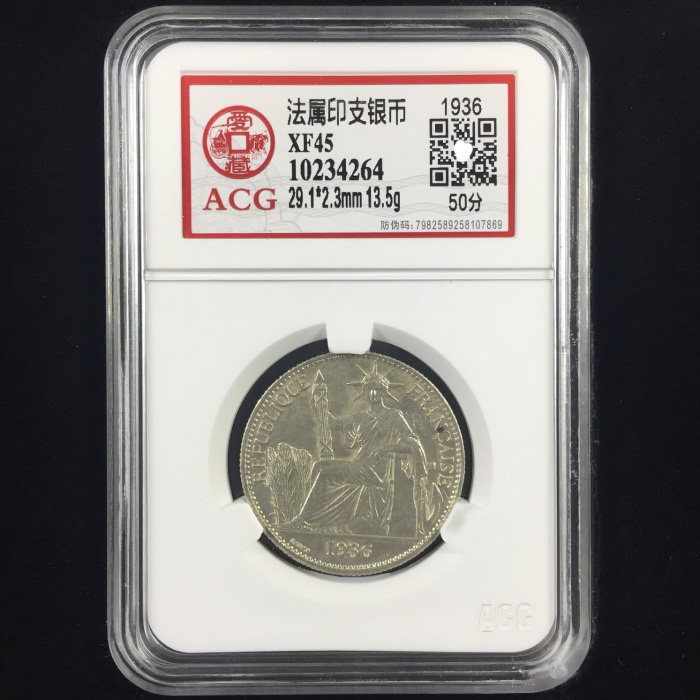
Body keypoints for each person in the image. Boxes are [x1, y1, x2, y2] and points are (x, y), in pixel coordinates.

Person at [294, 362, 428, 537]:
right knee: (319, 465)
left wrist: (387, 449)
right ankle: (315, 517)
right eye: (369, 389)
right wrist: (318, 404)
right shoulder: (361, 416)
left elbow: (412, 441)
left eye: (377, 389)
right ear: (364, 392)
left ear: (384, 392)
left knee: (326, 473)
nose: (372, 393)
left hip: (377, 469)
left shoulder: (394, 416)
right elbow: (332, 424)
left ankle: (304, 521)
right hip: (361, 465)